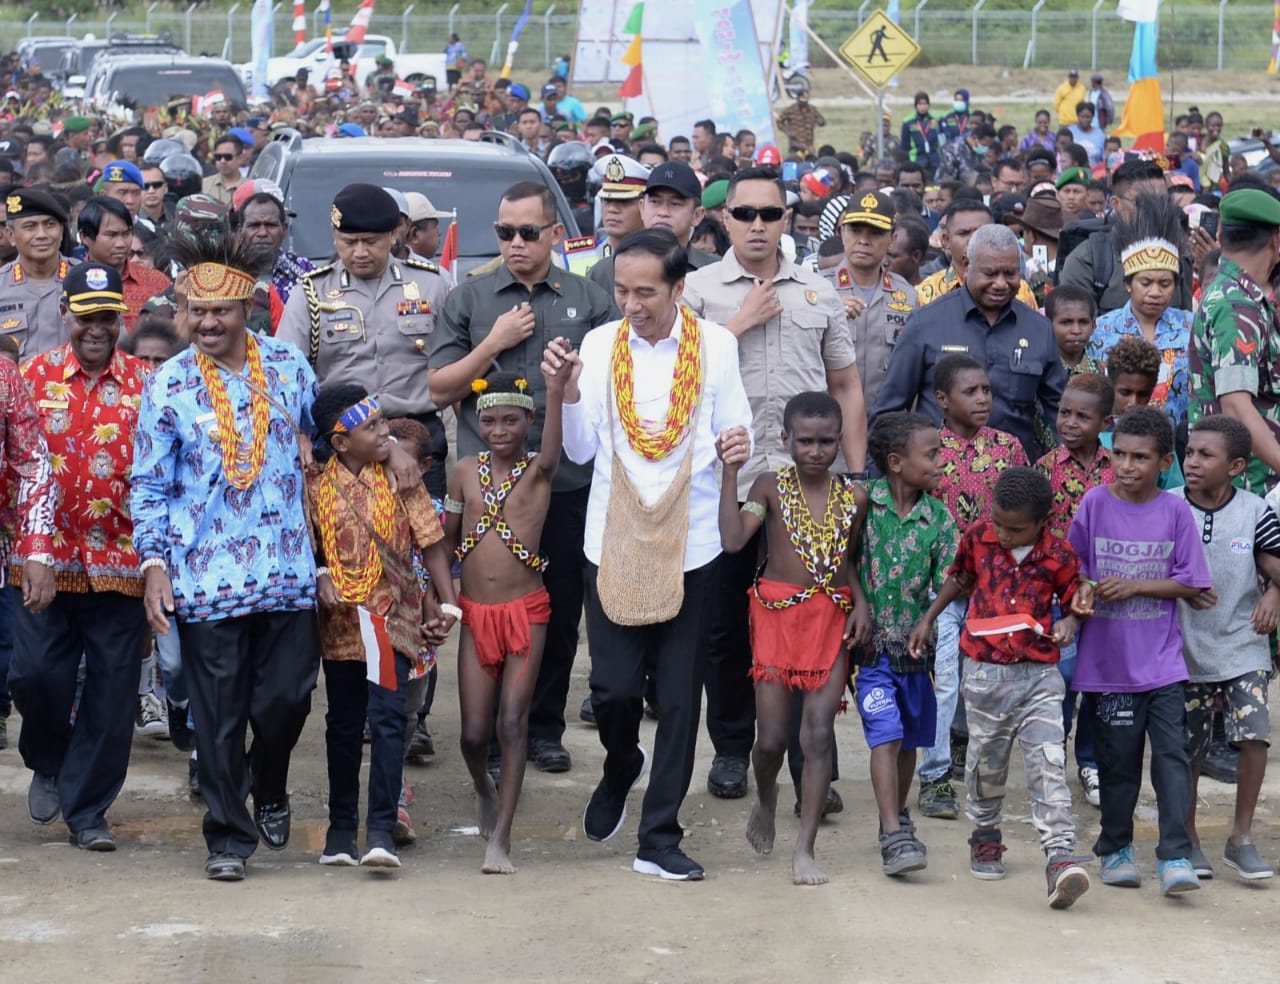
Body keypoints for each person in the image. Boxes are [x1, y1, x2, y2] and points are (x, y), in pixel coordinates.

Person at [546, 228, 752, 881]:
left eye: (646, 292)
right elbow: (579, 452)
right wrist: (567, 392)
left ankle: (659, 835)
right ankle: (618, 762)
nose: (631, 303)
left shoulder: (715, 346)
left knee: (680, 697)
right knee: (610, 690)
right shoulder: (600, 345)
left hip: (692, 543)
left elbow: (733, 427)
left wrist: (737, 447)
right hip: (614, 539)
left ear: (678, 287)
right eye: (621, 291)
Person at [130, 232, 325, 882]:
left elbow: (323, 450)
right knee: (218, 716)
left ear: (247, 310)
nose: (207, 323)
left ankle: (269, 785)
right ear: (183, 311)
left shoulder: (292, 369)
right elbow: (150, 483)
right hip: (206, 575)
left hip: (289, 572)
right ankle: (227, 838)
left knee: (287, 703)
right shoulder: (167, 385)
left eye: (220, 312)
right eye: (196, 312)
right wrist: (153, 564)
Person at [683, 166, 866, 801]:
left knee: (818, 618)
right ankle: (734, 749)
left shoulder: (816, 291)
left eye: (770, 214)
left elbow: (845, 384)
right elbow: (676, 375)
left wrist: (855, 468)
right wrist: (738, 324)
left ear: (787, 219)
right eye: (745, 214)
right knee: (729, 626)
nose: (757, 225)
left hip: (810, 486)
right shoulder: (699, 291)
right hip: (728, 486)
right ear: (724, 219)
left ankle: (814, 766)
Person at [431, 181, 615, 776]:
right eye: (505, 232)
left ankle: (542, 727)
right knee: (482, 605)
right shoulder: (471, 298)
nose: (515, 243)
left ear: (555, 234)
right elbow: (439, 388)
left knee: (558, 612)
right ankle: (484, 733)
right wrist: (495, 342)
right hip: (483, 489)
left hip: (562, 484)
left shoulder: (589, 299)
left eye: (528, 232)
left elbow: (615, 382)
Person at [911, 467, 1092, 907]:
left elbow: (1075, 601)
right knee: (985, 762)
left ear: (1042, 522)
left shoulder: (1059, 555)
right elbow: (959, 578)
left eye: (1016, 529)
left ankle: (1059, 857)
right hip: (986, 673)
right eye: (998, 523)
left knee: (1049, 760)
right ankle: (986, 832)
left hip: (1040, 677)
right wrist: (929, 617)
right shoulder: (977, 538)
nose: (1004, 534)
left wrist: (1070, 621)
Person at [9, 262, 143, 852]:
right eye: (86, 316)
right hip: (44, 558)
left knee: (113, 695)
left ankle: (88, 811)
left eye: (107, 318)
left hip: (123, 562)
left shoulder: (147, 382)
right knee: (35, 677)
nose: (96, 328)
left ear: (122, 318)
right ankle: (48, 756)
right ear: (65, 313)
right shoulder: (28, 377)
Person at [718, 391, 870, 885]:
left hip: (831, 616)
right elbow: (734, 541)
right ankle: (766, 796)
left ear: (840, 441)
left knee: (819, 732)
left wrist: (861, 605)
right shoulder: (768, 488)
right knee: (772, 742)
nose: (816, 451)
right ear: (785, 439)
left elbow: (848, 564)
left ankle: (805, 847)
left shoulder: (855, 496)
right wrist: (728, 475)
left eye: (828, 441)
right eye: (805, 441)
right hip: (777, 619)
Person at [308, 384, 457, 871]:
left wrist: (448, 603)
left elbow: (430, 540)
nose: (383, 432)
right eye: (370, 427)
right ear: (340, 441)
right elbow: (310, 544)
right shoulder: (314, 484)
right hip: (340, 624)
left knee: (390, 719)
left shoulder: (399, 477)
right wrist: (322, 572)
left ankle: (380, 831)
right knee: (344, 724)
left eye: (382, 422)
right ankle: (339, 831)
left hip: (387, 618)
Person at [1067, 407, 1213, 896]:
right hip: (1107, 667)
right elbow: (1074, 568)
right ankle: (1116, 848)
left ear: (1164, 462)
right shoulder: (1093, 503)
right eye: (1119, 456)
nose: (1127, 467)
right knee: (1118, 763)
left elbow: (1192, 581)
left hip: (1164, 665)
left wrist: (1135, 586)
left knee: (1172, 758)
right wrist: (1082, 592)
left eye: (1140, 458)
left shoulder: (1175, 511)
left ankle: (1175, 855)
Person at [443, 371, 558, 874]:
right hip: (474, 614)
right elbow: (443, 542)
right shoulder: (463, 471)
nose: (499, 430)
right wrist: (444, 601)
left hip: (526, 614)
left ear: (529, 422)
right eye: (488, 421)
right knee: (473, 734)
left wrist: (555, 387)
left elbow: (553, 448)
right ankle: (482, 787)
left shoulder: (539, 471)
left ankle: (502, 840)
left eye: (511, 420)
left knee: (512, 722)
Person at [913, 354, 1028, 823]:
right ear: (942, 399)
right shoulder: (925, 446)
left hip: (992, 590)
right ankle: (934, 775)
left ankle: (965, 752)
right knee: (943, 683)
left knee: (982, 683)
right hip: (939, 588)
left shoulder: (1007, 448)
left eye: (986, 390)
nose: (983, 399)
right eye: (971, 392)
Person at [278, 184, 451, 498]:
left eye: (370, 242)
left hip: (418, 436)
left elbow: (452, 363)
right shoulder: (311, 294)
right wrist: (298, 432)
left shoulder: (430, 284)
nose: (359, 252)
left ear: (393, 235)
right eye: (348, 242)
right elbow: (285, 373)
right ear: (334, 235)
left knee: (429, 538)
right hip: (343, 444)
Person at [1175, 415, 1280, 881]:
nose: (1191, 462)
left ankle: (1241, 838)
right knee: (1190, 747)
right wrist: (1178, 589)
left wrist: (1275, 592)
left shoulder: (1256, 510)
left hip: (1242, 641)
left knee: (1253, 733)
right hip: (1184, 646)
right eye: (1190, 451)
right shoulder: (1169, 506)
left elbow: (1274, 564)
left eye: (1205, 455)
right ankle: (1190, 836)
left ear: (1236, 466)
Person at [855, 411, 956, 876]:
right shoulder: (862, 505)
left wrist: (929, 619)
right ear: (896, 462)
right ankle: (894, 832)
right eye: (931, 454)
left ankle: (892, 815)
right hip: (872, 653)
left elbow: (951, 580)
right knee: (886, 734)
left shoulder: (939, 517)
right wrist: (859, 607)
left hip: (917, 655)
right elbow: (844, 562)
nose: (942, 461)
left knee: (909, 739)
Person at [875, 224, 1065, 460]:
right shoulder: (926, 323)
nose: (1000, 283)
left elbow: (1061, 412)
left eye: (1010, 273)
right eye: (990, 273)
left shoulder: (1039, 329)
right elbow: (889, 411)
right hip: (938, 479)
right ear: (966, 266)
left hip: (1015, 482)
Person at [1034, 372, 1115, 808]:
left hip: (1107, 593)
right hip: (1057, 594)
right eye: (1064, 412)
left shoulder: (1117, 468)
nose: (1070, 422)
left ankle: (1090, 761)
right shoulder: (1045, 468)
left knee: (1096, 681)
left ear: (1105, 420)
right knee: (1061, 678)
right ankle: (1054, 755)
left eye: (1083, 416)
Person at [1187, 188, 1280, 494]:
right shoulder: (1236, 306)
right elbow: (1237, 407)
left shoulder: (1239, 297)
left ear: (1220, 233)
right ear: (1276, 241)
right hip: (1250, 487)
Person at [1089, 194, 1192, 430]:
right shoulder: (1102, 330)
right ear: (1128, 284)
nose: (1155, 292)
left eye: (1164, 284)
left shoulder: (1191, 326)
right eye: (1145, 283)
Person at [1059, 159, 1194, 314]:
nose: (1155, 209)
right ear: (1116, 203)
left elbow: (1187, 324)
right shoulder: (1088, 259)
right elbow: (1076, 329)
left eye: (1162, 201)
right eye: (1143, 202)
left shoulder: (1178, 255)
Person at [828, 191, 917, 411]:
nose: (863, 241)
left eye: (875, 233)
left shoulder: (908, 295)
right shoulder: (818, 290)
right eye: (855, 231)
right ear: (841, 232)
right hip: (831, 426)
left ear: (892, 239)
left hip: (887, 426)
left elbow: (913, 370)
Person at [588, 161, 714, 297]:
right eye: (655, 202)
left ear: (697, 215)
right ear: (642, 208)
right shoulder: (604, 272)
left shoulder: (714, 271)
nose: (663, 212)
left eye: (676, 204)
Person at [915, 202, 1039, 309]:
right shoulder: (925, 294)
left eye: (982, 232)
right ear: (946, 240)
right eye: (964, 233)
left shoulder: (1020, 290)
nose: (974, 239)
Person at [75, 197, 171, 330]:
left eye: (126, 234)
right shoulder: (71, 283)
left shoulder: (158, 282)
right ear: (85, 237)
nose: (121, 244)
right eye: (111, 235)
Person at [0, 188, 74, 357]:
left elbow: (116, 347)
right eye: (30, 226)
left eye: (50, 225)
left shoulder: (85, 280)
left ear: (62, 232)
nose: (42, 235)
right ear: (10, 235)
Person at [231, 181, 315, 304]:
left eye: (271, 225)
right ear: (239, 229)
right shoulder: (223, 273)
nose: (263, 233)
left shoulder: (305, 271)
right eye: (254, 225)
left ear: (284, 229)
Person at [776, 83, 825, 157]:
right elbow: (779, 121)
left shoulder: (812, 110)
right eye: (802, 98)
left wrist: (820, 121)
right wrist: (787, 131)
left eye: (806, 98)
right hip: (796, 145)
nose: (804, 101)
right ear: (798, 98)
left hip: (809, 146)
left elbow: (822, 121)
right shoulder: (791, 110)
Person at [900, 92, 941, 173]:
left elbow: (942, 139)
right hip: (917, 160)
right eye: (920, 104)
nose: (923, 106)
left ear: (929, 105)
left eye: (925, 104)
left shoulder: (937, 119)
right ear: (915, 106)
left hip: (935, 160)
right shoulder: (908, 121)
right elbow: (904, 145)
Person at [201, 135, 246, 206]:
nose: (222, 161)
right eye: (218, 157)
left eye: (228, 157)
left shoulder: (250, 187)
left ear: (240, 158)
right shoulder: (203, 185)